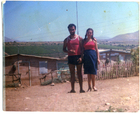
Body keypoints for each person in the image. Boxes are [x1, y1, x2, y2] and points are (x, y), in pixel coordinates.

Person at [63, 24, 85, 93]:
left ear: (75, 29)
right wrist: (69, 51)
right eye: (70, 29)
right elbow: (64, 49)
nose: (71, 31)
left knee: (79, 73)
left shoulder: (79, 38)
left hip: (78, 56)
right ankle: (72, 89)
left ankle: (81, 89)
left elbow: (82, 49)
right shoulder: (66, 40)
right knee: (72, 74)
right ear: (68, 30)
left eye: (73, 29)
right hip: (71, 57)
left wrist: (81, 57)